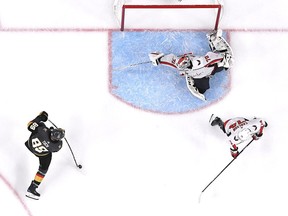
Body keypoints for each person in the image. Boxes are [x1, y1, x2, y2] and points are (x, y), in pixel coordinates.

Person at [148, 30, 233, 101]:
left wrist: (224, 59)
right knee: (203, 90)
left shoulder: (200, 62)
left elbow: (212, 58)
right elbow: (170, 60)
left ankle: (214, 41)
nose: (179, 66)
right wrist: (158, 59)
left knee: (224, 64)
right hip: (199, 76)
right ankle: (196, 79)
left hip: (212, 69)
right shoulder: (179, 64)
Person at [25, 111, 65, 200]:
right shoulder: (57, 146)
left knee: (39, 125)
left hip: (29, 145)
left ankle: (33, 188)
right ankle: (32, 188)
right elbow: (54, 148)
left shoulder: (41, 129)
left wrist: (40, 117)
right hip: (41, 154)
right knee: (44, 168)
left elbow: (29, 125)